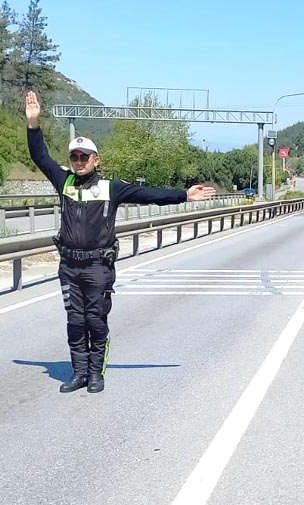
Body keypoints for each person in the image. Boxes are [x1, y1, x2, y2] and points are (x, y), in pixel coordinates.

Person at [25, 91, 216, 394]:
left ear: (95, 160)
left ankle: (96, 372)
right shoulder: (64, 183)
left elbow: (149, 195)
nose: (78, 161)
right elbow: (40, 156)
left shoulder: (110, 188)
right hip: (69, 265)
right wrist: (33, 124)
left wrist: (184, 195)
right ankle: (78, 372)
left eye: (84, 156)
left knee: (95, 320)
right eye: (74, 156)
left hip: (98, 265)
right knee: (75, 321)